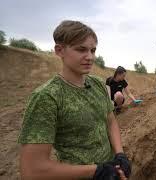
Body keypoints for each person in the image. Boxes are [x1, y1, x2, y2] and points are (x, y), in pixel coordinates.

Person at [18, 20, 131, 180]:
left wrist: (120, 155)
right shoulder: (47, 97)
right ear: (59, 50)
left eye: (93, 50)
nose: (90, 57)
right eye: (81, 49)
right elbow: (32, 170)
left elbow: (110, 120)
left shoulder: (98, 83)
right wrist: (97, 171)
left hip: (111, 171)